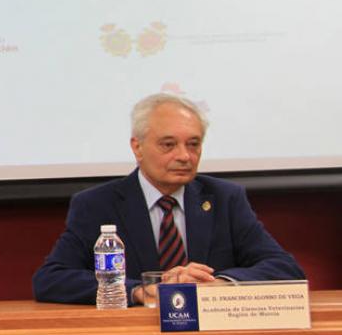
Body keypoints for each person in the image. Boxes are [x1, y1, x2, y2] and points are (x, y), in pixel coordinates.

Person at [33, 93, 304, 305]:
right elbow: (51, 279)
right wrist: (139, 291)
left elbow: (285, 269)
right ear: (137, 147)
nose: (184, 156)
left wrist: (218, 285)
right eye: (168, 145)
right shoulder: (97, 204)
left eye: (193, 144)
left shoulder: (225, 199)